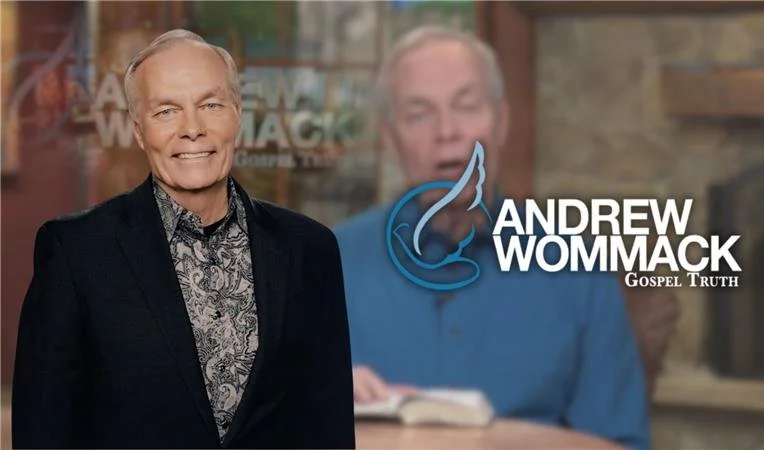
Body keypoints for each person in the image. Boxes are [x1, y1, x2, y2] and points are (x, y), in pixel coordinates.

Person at [13, 29, 355, 449]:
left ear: (237, 114)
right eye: (166, 111)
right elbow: (42, 431)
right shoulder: (75, 252)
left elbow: (329, 426)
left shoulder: (309, 249)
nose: (192, 128)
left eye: (211, 105)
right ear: (139, 130)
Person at [333, 26, 651, 449]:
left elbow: (617, 442)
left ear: (501, 122)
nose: (447, 130)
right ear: (390, 140)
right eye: (419, 114)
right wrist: (316, 397)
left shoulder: (576, 268)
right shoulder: (325, 263)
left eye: (466, 106)